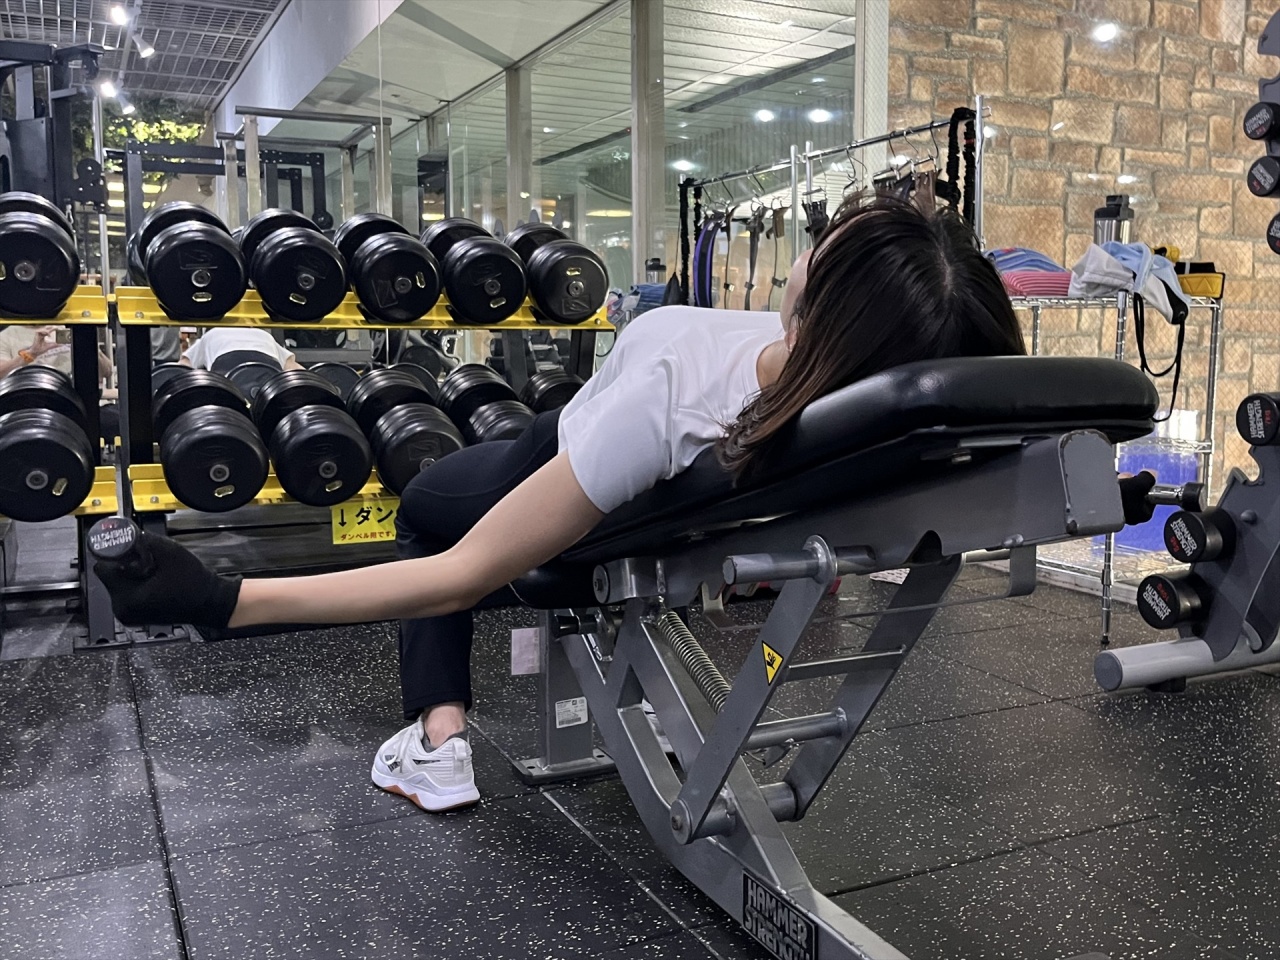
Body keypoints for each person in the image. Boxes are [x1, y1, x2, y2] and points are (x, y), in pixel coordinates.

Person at [95, 196, 1027, 812]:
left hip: (563, 454)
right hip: (600, 445)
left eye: (824, 251)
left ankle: (438, 741)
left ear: (822, 303)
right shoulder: (838, 392)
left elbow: (461, 575)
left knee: (426, 506)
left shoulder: (676, 399)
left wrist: (224, 598)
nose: (807, 252)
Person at [0, 325, 119, 441]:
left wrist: (87, 345)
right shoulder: (7, 336)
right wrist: (31, 353)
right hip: (34, 411)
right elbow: (1, 373)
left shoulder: (66, 328)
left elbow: (107, 371)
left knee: (118, 421)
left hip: (84, 407)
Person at [181, 326, 302, 376]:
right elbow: (292, 366)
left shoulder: (211, 334)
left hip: (227, 365)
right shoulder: (263, 334)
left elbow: (184, 365)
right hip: (266, 367)